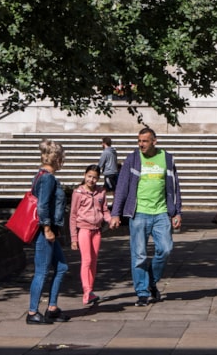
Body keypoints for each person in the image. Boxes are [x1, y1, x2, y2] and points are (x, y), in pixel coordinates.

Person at [109, 127, 182, 307]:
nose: (141, 144)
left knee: (166, 249)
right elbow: (122, 187)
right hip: (139, 213)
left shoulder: (167, 158)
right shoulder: (133, 159)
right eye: (139, 141)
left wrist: (177, 211)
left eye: (145, 141)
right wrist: (115, 213)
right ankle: (142, 292)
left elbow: (175, 187)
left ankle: (150, 280)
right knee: (139, 255)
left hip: (161, 213)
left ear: (154, 141)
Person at [26, 139, 71, 325]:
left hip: (51, 229)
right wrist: (46, 228)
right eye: (62, 158)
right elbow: (43, 206)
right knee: (42, 272)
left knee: (61, 267)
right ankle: (32, 312)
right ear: (56, 158)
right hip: (45, 231)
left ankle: (52, 308)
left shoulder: (44, 176)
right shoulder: (47, 178)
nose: (63, 161)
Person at [69, 164, 109, 306]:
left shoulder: (100, 193)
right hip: (84, 230)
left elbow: (104, 211)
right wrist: (74, 238)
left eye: (95, 178)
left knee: (93, 260)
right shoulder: (78, 193)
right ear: (85, 175)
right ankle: (86, 291)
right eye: (89, 176)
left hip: (96, 231)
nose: (91, 180)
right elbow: (73, 216)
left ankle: (90, 290)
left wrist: (111, 220)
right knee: (86, 260)